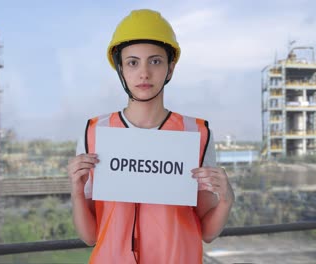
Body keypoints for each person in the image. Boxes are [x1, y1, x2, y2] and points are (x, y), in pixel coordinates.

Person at [67, 9, 234, 264]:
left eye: (155, 61)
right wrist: (77, 192)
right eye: (133, 62)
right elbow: (90, 237)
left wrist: (226, 201)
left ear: (170, 67)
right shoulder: (95, 133)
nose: (144, 73)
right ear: (121, 68)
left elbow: (207, 232)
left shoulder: (195, 134)